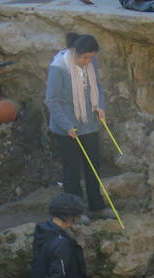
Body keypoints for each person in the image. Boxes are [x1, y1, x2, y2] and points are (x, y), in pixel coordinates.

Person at [45, 32, 110, 217]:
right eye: (85, 57)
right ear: (74, 52)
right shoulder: (59, 68)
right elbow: (52, 101)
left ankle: (96, 207)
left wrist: (99, 106)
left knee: (93, 165)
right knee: (72, 169)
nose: (88, 61)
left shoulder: (90, 62)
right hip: (66, 126)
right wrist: (67, 126)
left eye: (91, 57)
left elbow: (97, 86)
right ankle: (75, 212)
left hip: (88, 122)